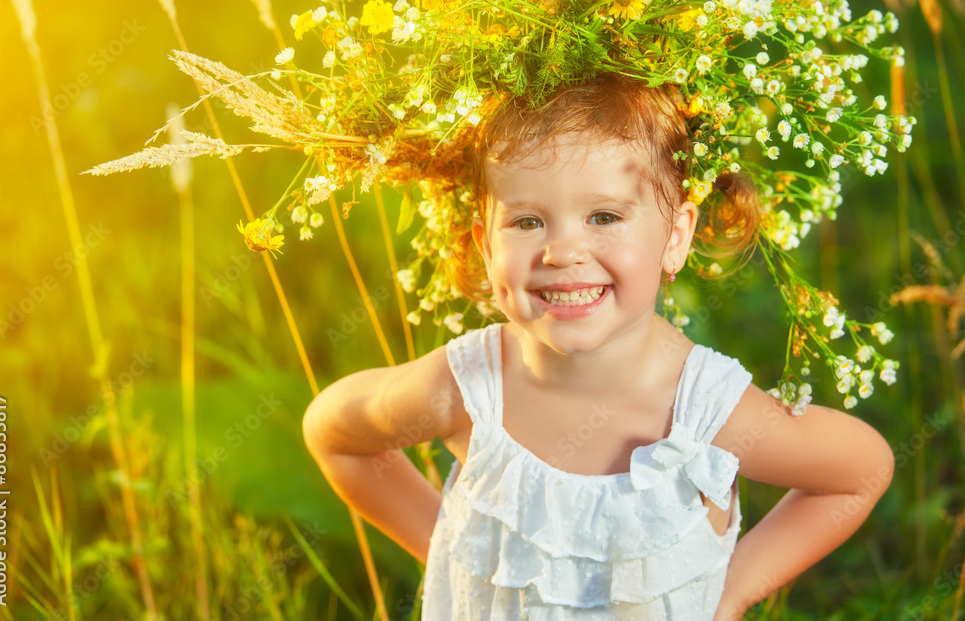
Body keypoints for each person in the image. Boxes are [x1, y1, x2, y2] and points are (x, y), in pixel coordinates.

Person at [302, 76, 895, 620]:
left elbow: (860, 472)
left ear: (675, 237)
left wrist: (733, 590)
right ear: (485, 244)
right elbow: (335, 434)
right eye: (528, 221)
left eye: (604, 215)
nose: (563, 251)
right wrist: (448, 547)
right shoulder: (469, 390)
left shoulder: (703, 413)